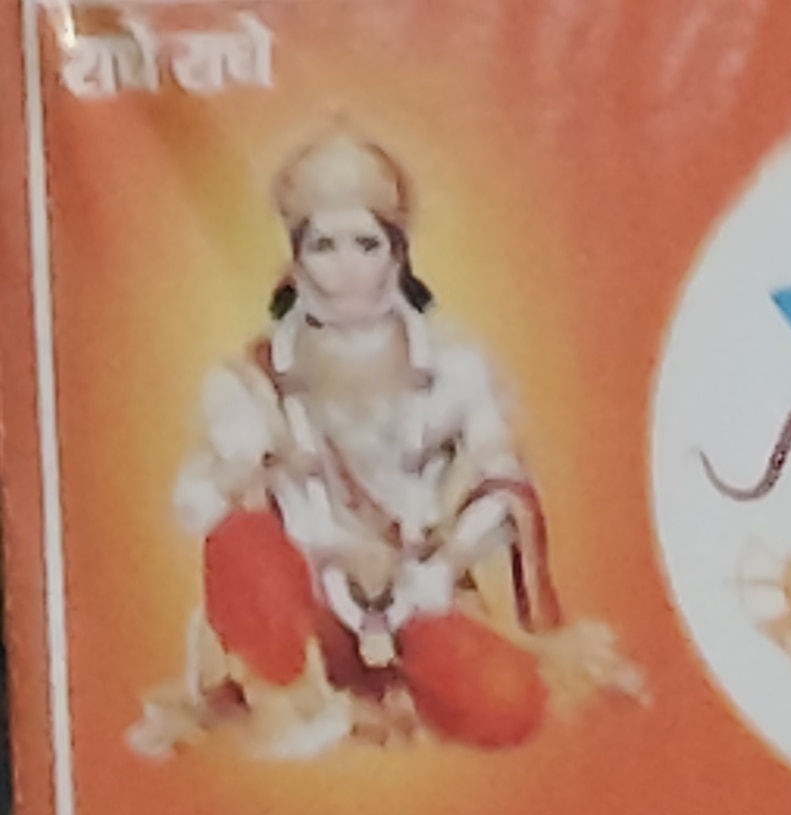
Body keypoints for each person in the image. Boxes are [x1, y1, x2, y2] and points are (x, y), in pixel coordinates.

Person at [169, 127, 562, 750]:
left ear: (397, 251)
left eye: (366, 244)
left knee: (509, 704)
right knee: (240, 538)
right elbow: (193, 503)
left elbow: (505, 484)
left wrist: (444, 565)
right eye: (324, 246)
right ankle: (290, 697)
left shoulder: (456, 363)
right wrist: (242, 474)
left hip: (419, 587)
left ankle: (399, 689)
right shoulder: (252, 377)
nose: (347, 268)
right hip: (306, 596)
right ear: (296, 259)